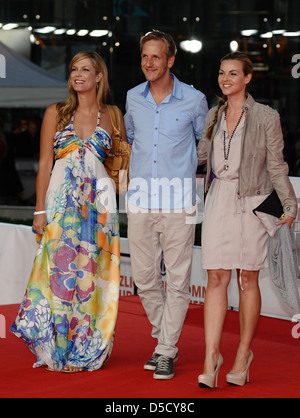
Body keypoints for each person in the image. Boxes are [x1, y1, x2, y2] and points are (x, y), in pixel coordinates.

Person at [10, 51, 124, 373]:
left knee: (93, 276)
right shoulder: (56, 113)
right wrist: (39, 210)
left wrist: (121, 198)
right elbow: (45, 162)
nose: (78, 74)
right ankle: (58, 346)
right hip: (60, 205)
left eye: (85, 69)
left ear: (99, 76)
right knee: (58, 275)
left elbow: (121, 164)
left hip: (100, 209)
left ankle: (86, 347)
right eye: (74, 69)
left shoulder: (113, 115)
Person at [197, 52, 297, 388]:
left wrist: (289, 205)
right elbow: (200, 157)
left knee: (247, 280)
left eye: (233, 74)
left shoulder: (266, 116)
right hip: (219, 199)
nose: (225, 79)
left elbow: (277, 165)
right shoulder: (213, 115)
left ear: (248, 78)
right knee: (215, 278)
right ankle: (212, 357)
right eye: (222, 73)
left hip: (253, 200)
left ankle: (242, 354)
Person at [124, 30, 208, 380]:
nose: (149, 63)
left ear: (170, 60)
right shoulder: (132, 98)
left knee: (176, 280)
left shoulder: (194, 99)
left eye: (156, 57)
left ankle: (166, 350)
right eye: (145, 56)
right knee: (143, 279)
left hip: (179, 202)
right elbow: (132, 138)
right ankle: (164, 342)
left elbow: (204, 147)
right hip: (140, 201)